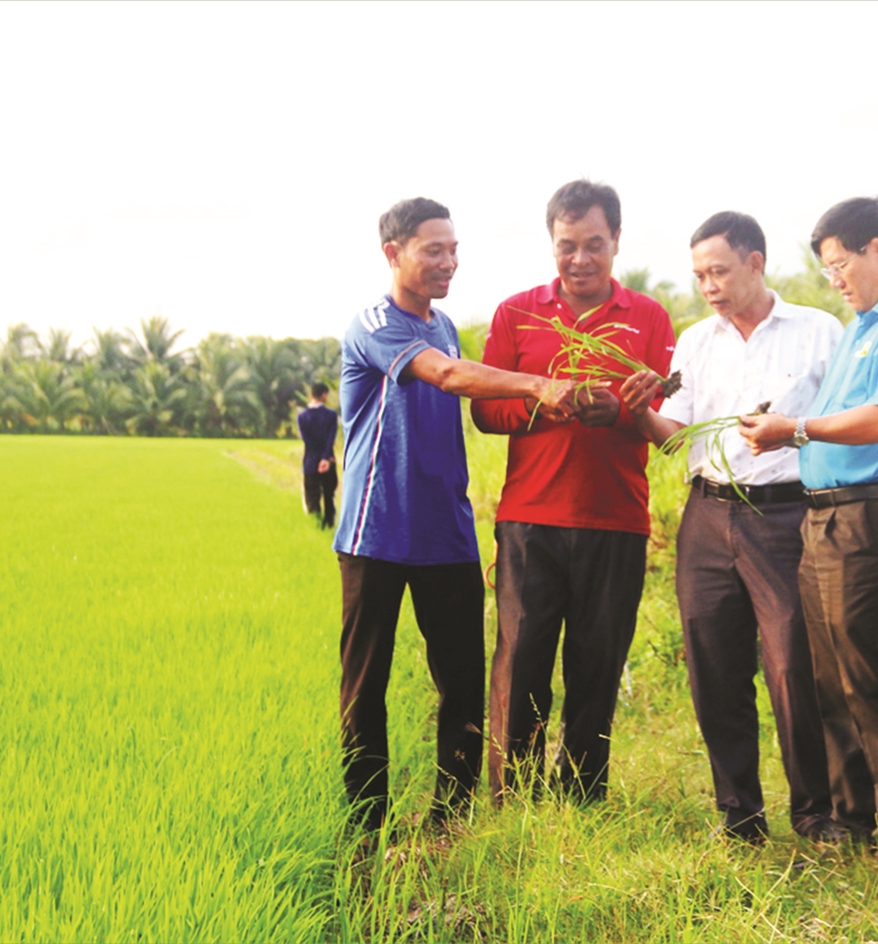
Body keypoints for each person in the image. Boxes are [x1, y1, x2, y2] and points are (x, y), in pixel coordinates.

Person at [334, 197, 575, 834]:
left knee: (464, 683)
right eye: (433, 250)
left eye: (454, 249)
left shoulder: (444, 325)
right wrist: (534, 383)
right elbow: (445, 376)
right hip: (376, 532)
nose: (449, 262)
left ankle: (452, 819)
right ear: (393, 253)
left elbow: (467, 388)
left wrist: (553, 405)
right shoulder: (375, 323)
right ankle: (368, 825)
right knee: (366, 686)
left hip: (446, 533)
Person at [619, 212, 842, 843]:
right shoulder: (695, 342)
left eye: (719, 271)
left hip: (788, 512)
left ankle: (814, 811)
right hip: (708, 515)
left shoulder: (818, 332)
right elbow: (674, 437)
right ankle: (740, 813)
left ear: (755, 262)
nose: (709, 286)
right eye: (699, 276)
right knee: (713, 664)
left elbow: (843, 425)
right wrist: (639, 415)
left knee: (793, 663)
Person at [739, 197, 878, 846]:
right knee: (828, 674)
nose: (836, 281)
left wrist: (794, 429)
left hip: (868, 514)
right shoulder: (862, 324)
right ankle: (851, 820)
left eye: (839, 266)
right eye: (828, 272)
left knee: (870, 671)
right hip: (819, 517)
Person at [471, 180, 675, 803]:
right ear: (551, 244)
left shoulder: (649, 318)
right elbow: (485, 411)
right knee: (522, 656)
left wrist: (614, 408)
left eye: (594, 244)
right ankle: (515, 792)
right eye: (567, 245)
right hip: (530, 519)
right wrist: (546, 402)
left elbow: (660, 414)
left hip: (616, 519)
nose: (580, 259)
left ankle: (582, 792)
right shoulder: (517, 314)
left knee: (598, 660)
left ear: (616, 241)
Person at [297, 381, 338, 529]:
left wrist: (317, 458)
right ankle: (329, 524)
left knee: (312, 496)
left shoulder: (302, 417)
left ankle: (316, 526)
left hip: (310, 461)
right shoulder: (331, 415)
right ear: (324, 395)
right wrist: (325, 458)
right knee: (329, 495)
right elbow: (330, 438)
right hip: (329, 461)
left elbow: (307, 440)